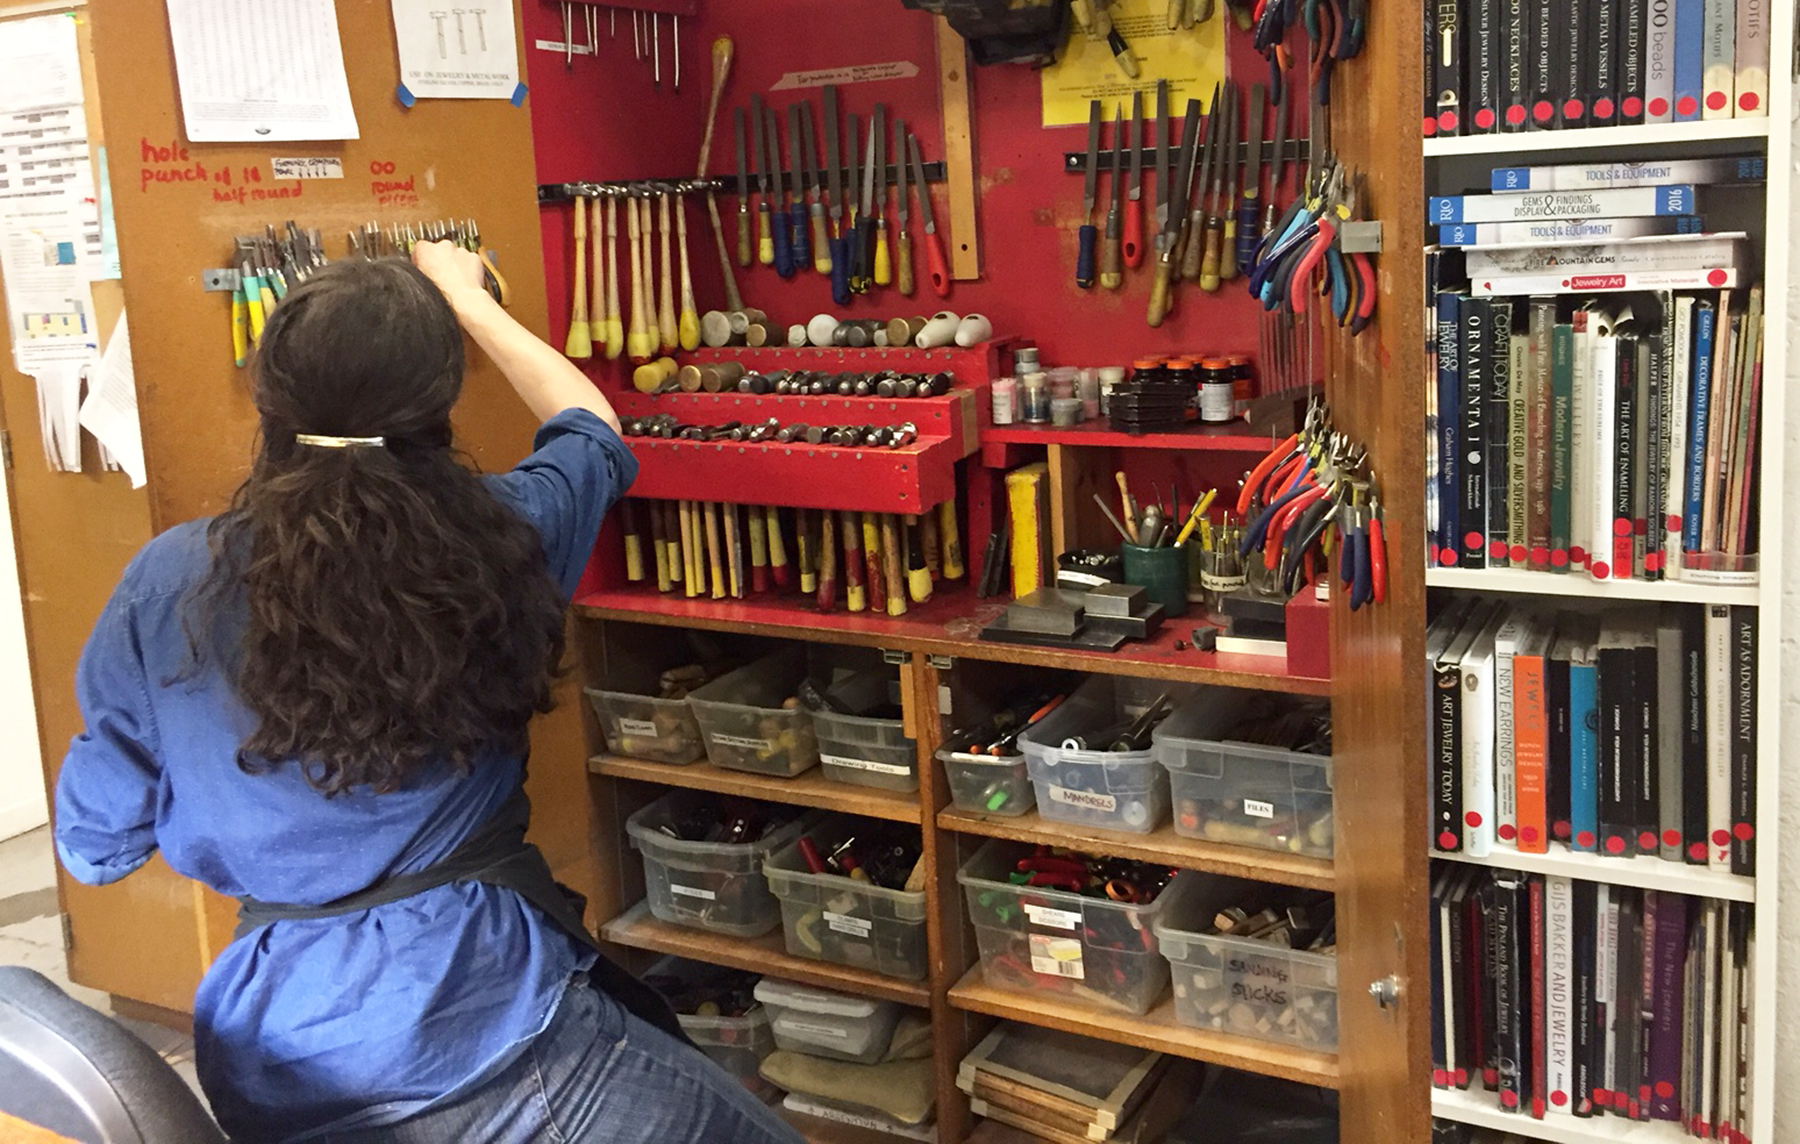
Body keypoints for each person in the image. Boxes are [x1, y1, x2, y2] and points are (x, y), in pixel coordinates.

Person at [53, 242, 805, 1144]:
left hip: (273, 1052)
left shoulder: (168, 580)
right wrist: (470, 300)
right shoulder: (503, 536)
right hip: (485, 1025)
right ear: (439, 403)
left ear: (270, 399)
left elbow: (95, 846)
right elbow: (591, 424)